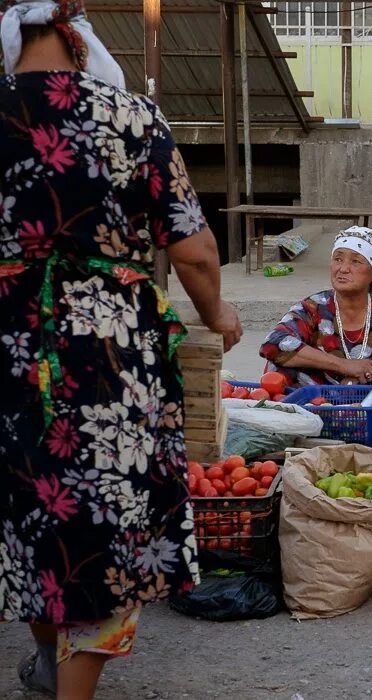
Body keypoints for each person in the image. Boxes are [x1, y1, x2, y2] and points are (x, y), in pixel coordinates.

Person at [0, 1, 242, 697]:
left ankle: (48, 661)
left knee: (31, 511)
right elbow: (193, 250)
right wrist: (218, 312)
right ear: (77, 40)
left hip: (11, 343)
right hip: (103, 360)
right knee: (103, 524)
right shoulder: (132, 117)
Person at [260, 226, 372, 388]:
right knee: (278, 367)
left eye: (356, 261)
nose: (343, 269)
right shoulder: (313, 307)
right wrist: (345, 366)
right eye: (338, 259)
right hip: (320, 397)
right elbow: (274, 342)